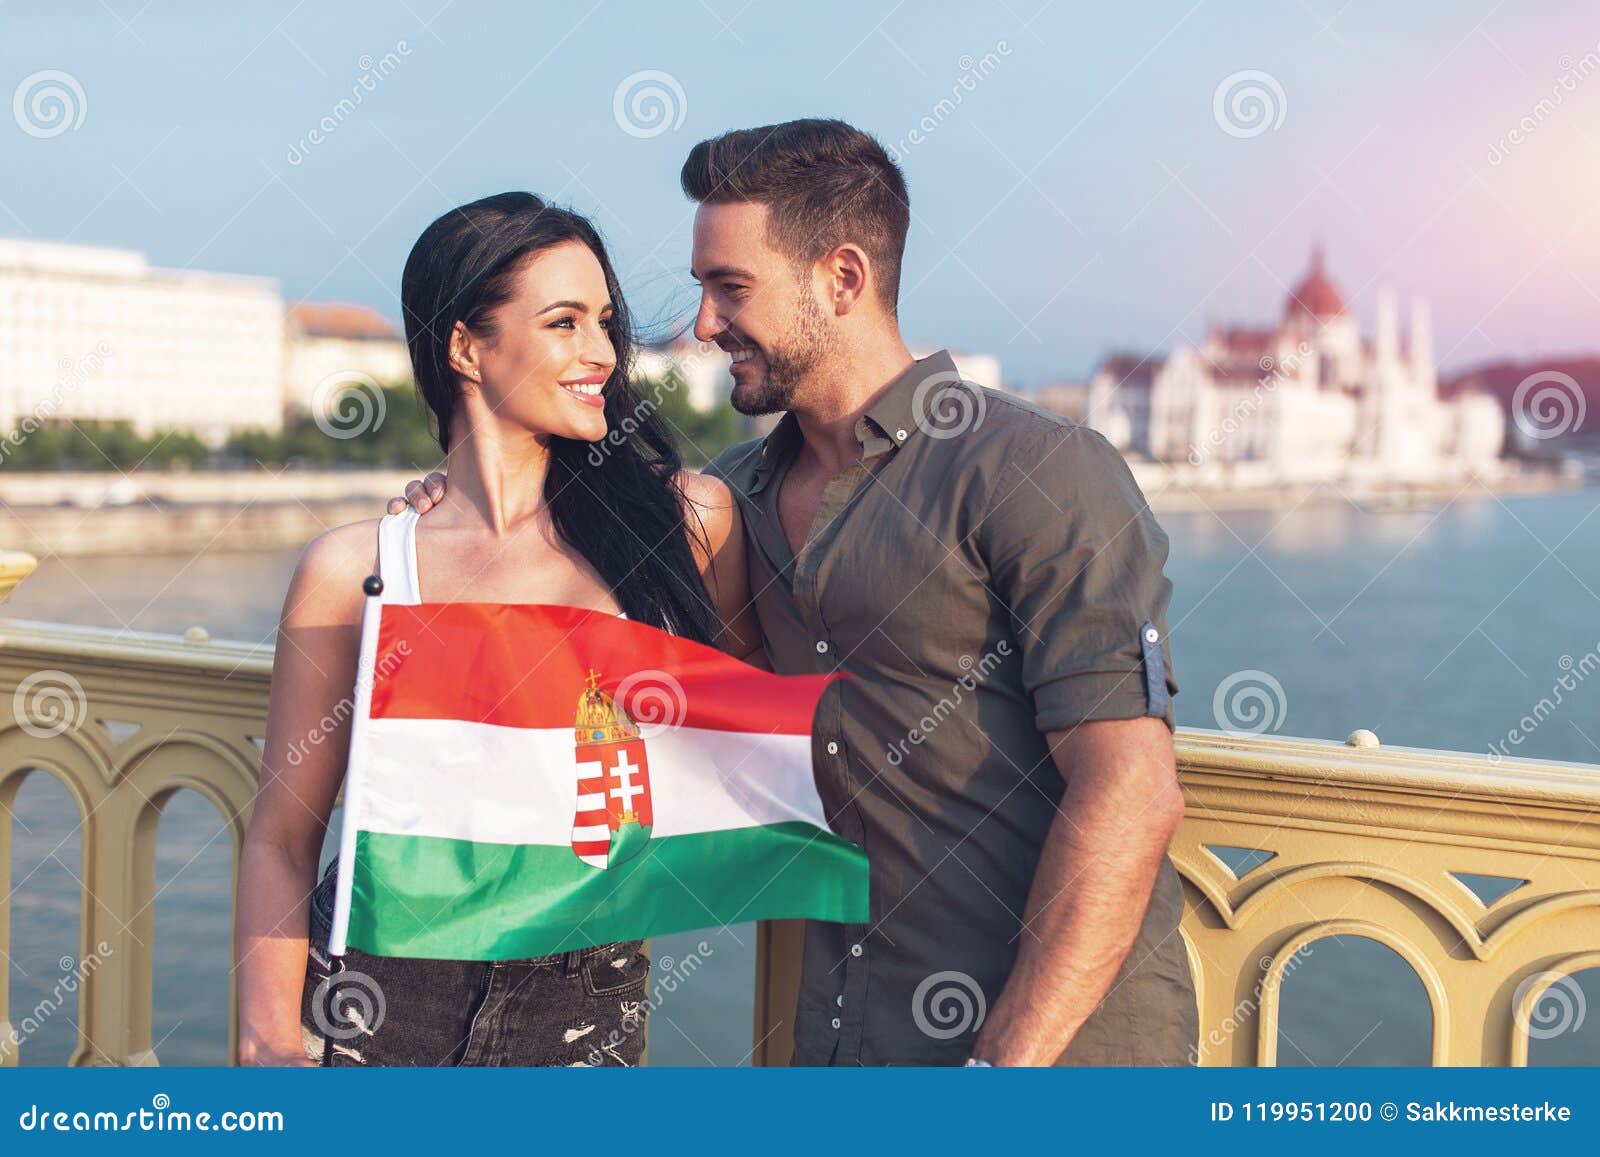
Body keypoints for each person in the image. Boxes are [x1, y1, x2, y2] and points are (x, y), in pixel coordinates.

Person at [394, 119, 1198, 1066]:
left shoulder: (1037, 469)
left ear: (842, 279)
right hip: (845, 1034)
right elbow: (555, 561)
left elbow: (1131, 789)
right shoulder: (729, 500)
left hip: (1061, 1054)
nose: (701, 325)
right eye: (701, 289)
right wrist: (446, 498)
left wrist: (1003, 1068)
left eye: (730, 288)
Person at [234, 192, 760, 1066]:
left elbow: (748, 733)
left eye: (605, 320)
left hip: (578, 1007)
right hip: (369, 1002)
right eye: (564, 322)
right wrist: (265, 1039)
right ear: (465, 346)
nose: (601, 352)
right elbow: (282, 838)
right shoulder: (356, 568)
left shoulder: (684, 526)